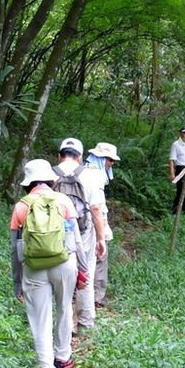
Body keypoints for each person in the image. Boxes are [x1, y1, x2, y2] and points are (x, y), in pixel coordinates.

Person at [9, 158, 88, 368]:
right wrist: (83, 269)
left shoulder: (21, 206)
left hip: (33, 267)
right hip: (65, 263)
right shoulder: (63, 200)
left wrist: (17, 281)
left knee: (39, 317)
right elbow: (77, 241)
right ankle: (62, 357)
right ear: (50, 180)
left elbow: (15, 249)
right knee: (64, 308)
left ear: (28, 182)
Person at [52, 138, 108, 335]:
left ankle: (67, 323)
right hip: (84, 231)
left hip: (55, 234)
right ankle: (85, 321)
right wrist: (101, 238)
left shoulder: (50, 173)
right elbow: (95, 208)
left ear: (59, 155)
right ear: (80, 157)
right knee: (86, 273)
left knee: (62, 276)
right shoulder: (91, 175)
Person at [86, 142, 119, 309]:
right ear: (102, 158)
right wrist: (102, 230)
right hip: (94, 221)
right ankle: (96, 297)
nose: (111, 164)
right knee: (100, 257)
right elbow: (97, 206)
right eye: (110, 160)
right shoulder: (96, 175)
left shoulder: (83, 170)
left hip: (82, 223)